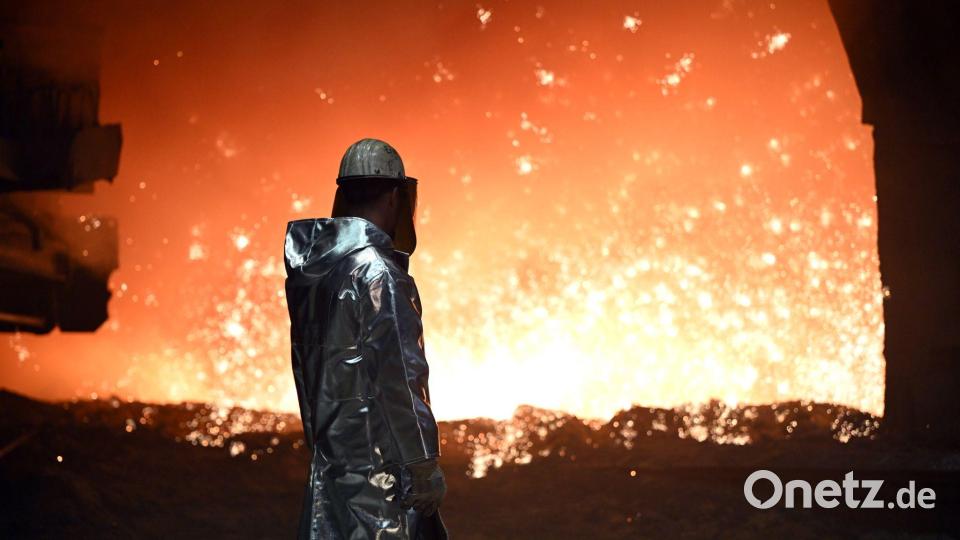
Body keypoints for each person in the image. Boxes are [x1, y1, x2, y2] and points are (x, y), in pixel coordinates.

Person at [284, 138, 447, 539]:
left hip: (333, 468)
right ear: (396, 196)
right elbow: (399, 380)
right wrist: (422, 464)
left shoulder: (318, 274)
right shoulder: (379, 276)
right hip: (384, 480)